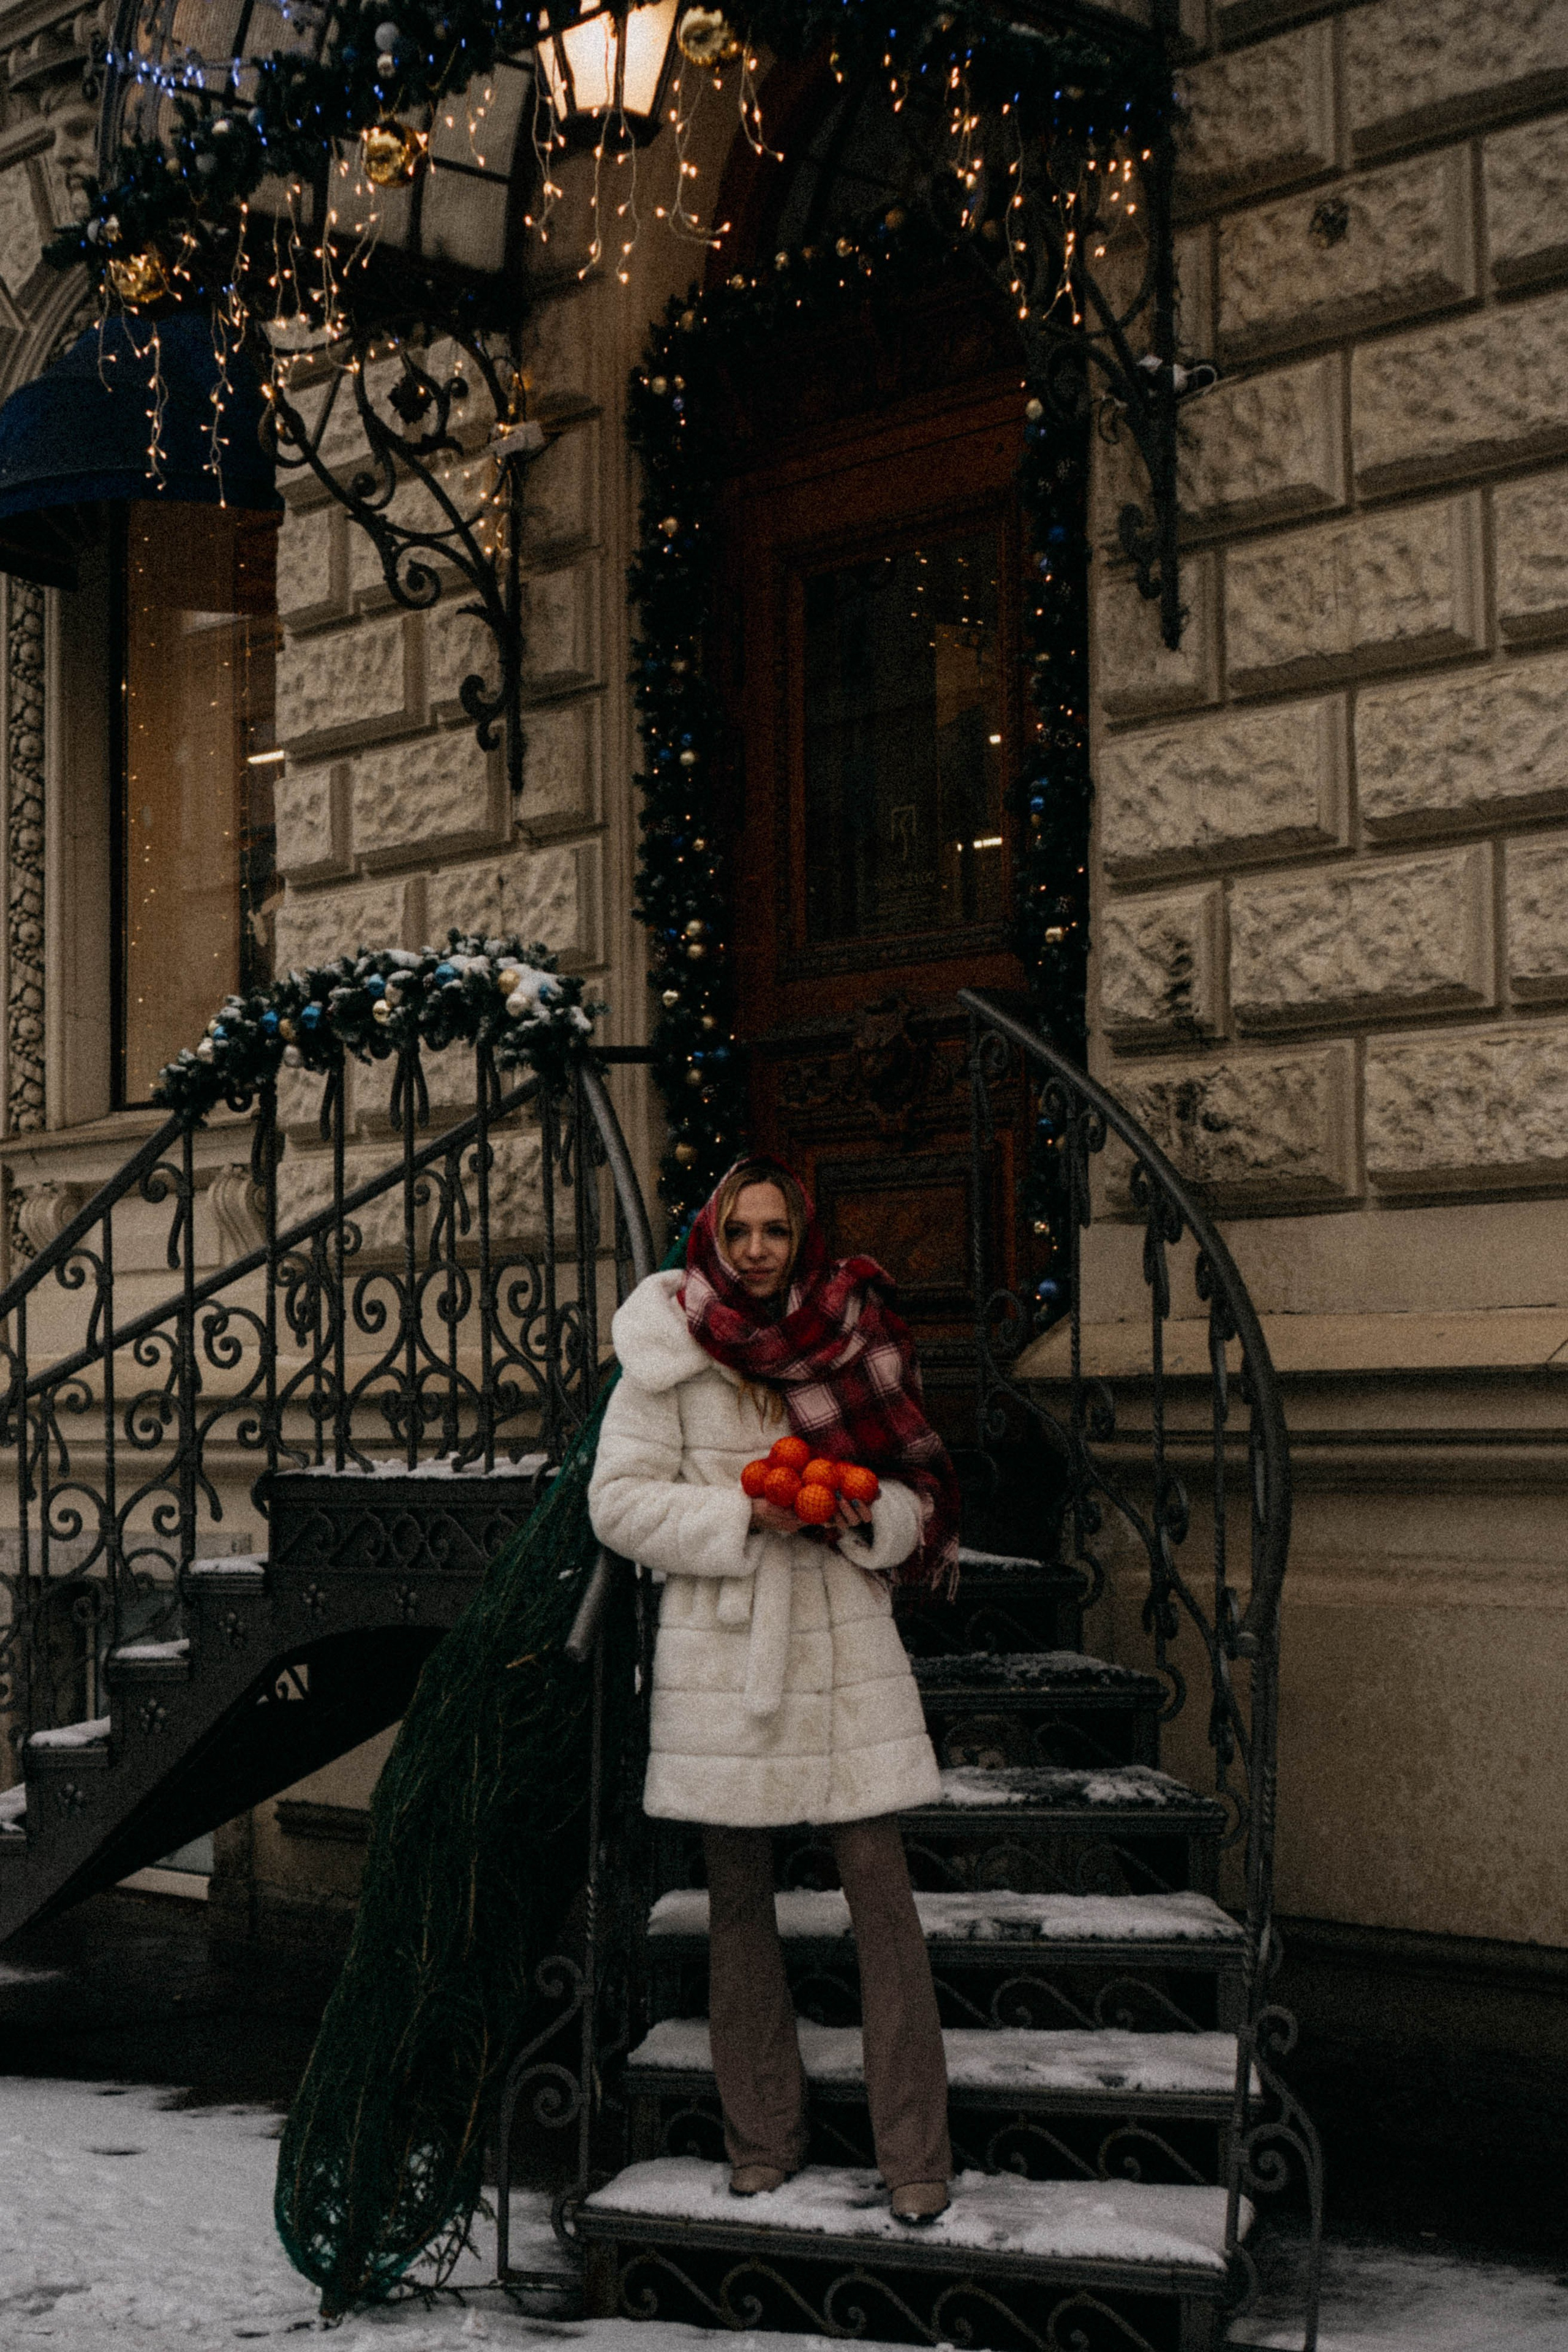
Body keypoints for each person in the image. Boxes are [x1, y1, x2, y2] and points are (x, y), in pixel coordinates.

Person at [588, 1156, 961, 2226]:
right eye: (740, 1231)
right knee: (739, 1909)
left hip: (844, 1646)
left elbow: (915, 1491)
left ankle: (915, 2158)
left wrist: (860, 1518)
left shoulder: (855, 1336)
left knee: (883, 1903)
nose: (757, 1251)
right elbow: (617, 1504)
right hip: (730, 1654)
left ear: (802, 1237)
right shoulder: (668, 1350)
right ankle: (762, 2137)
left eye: (775, 1233)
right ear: (713, 1235)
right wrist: (743, 1519)